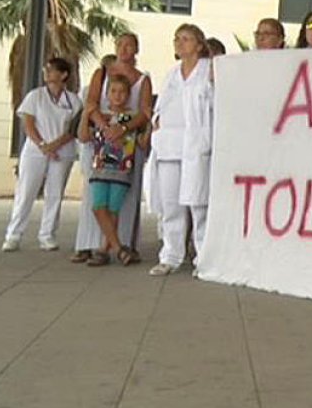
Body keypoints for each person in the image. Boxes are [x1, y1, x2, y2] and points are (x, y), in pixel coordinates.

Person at [73, 33, 152, 263]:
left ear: (136, 49)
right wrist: (105, 126)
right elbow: (91, 104)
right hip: (102, 140)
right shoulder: (103, 73)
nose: (125, 49)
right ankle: (93, 244)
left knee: (124, 196)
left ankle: (119, 244)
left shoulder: (142, 79)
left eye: (130, 45)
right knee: (96, 196)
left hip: (126, 144)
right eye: (121, 45)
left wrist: (124, 128)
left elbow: (145, 111)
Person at [148, 24, 215, 276]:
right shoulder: (172, 73)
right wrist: (156, 123)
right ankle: (170, 255)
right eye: (177, 39)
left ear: (199, 44)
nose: (180, 43)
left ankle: (203, 258)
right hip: (169, 146)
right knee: (171, 205)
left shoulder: (209, 70)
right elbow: (162, 105)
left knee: (198, 205)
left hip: (196, 146)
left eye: (186, 39)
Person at [0, 58, 82, 252]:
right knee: (26, 191)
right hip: (35, 151)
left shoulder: (74, 100)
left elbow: (73, 129)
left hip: (62, 151)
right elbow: (28, 124)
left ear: (63, 75)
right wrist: (43, 145)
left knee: (54, 193)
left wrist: (54, 146)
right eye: (46, 69)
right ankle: (13, 235)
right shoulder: (35, 96)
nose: (47, 73)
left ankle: (47, 235)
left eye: (51, 70)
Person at [85, 74, 140, 266]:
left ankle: (104, 249)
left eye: (122, 92)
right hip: (100, 167)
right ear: (107, 94)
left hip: (121, 168)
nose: (117, 96)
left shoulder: (131, 117)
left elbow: (140, 140)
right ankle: (118, 248)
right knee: (98, 207)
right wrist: (87, 113)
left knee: (113, 209)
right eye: (113, 91)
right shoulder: (100, 115)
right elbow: (83, 136)